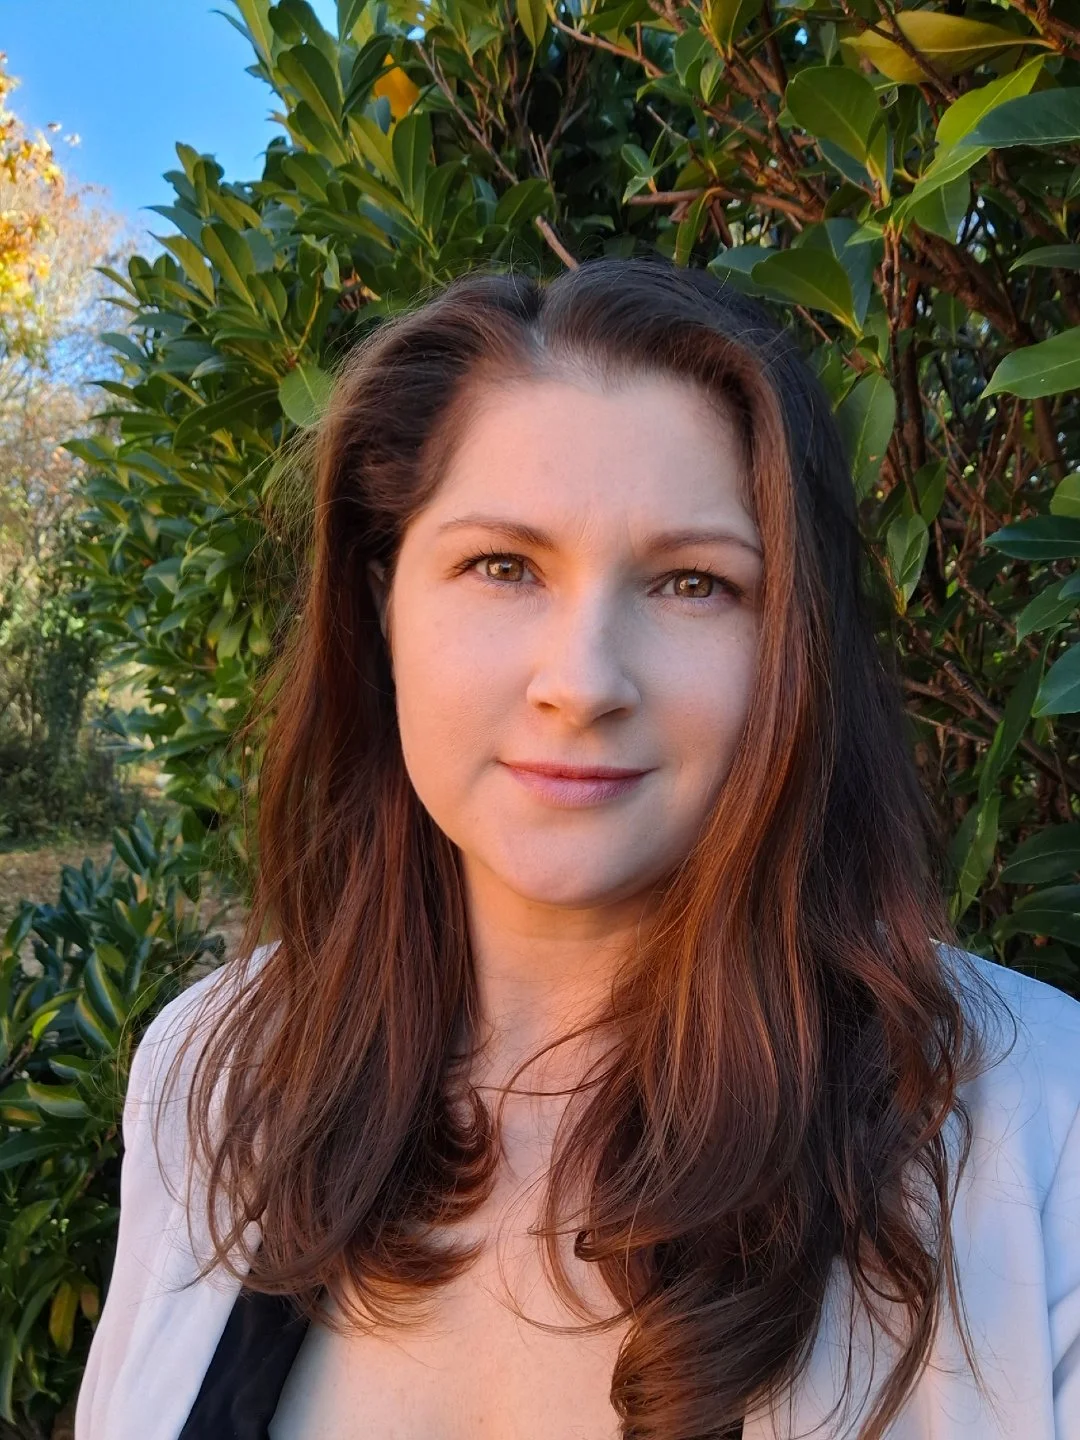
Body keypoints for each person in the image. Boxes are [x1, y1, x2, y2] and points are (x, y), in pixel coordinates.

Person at [75, 257, 1080, 1440]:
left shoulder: (1036, 1125)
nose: (583, 683)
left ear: (790, 652)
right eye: (503, 566)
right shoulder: (218, 1072)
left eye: (693, 583)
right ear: (383, 601)